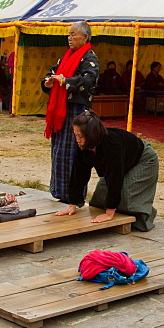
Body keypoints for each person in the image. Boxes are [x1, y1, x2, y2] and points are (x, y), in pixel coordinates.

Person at [56, 110, 159, 231]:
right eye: (75, 135)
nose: (77, 139)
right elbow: (78, 174)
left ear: (92, 135)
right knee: (100, 197)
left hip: (143, 159)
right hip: (123, 161)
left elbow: (115, 178)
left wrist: (109, 213)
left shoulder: (111, 145)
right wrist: (72, 204)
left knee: (126, 196)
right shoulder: (82, 144)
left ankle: (143, 217)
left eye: (81, 136)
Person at [42, 21, 99, 204]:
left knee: (74, 152)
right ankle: (59, 190)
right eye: (69, 34)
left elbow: (89, 80)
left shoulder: (89, 57)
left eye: (74, 34)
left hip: (77, 110)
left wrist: (65, 81)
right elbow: (52, 72)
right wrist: (48, 81)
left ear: (85, 37)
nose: (70, 38)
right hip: (61, 110)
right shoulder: (66, 57)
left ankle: (74, 195)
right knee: (59, 151)